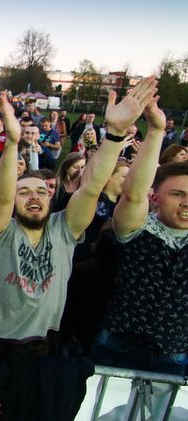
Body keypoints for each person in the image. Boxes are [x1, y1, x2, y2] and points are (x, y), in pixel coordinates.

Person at [0, 80, 158, 360]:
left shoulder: (64, 230)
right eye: (24, 192)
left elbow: (91, 187)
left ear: (51, 197)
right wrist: (11, 141)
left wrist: (115, 134)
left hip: (42, 347)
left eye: (41, 192)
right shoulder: (1, 233)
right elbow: (2, 196)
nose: (34, 197)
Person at [91, 93, 187, 375]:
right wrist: (157, 131)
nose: (185, 202)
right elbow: (132, 196)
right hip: (118, 348)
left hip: (175, 355)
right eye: (177, 194)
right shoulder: (139, 230)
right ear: (155, 198)